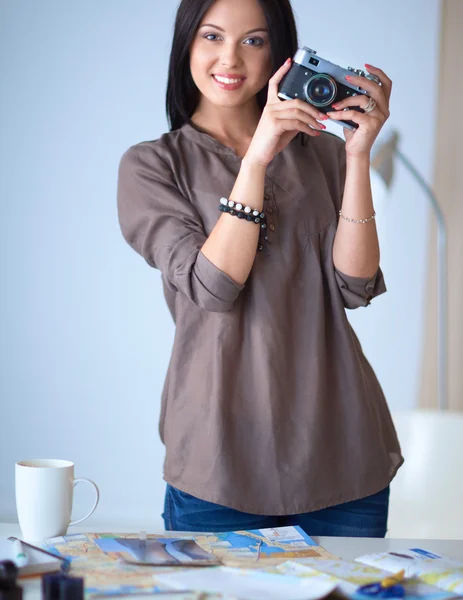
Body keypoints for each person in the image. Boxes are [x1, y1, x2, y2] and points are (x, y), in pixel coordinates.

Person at [117, 0, 404, 537]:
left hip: (342, 448)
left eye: (254, 40)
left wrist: (359, 156)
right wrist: (256, 158)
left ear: (280, 53)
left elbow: (357, 285)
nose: (231, 57)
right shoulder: (152, 165)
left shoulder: (321, 153)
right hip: (219, 459)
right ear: (187, 44)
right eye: (211, 36)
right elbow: (214, 286)